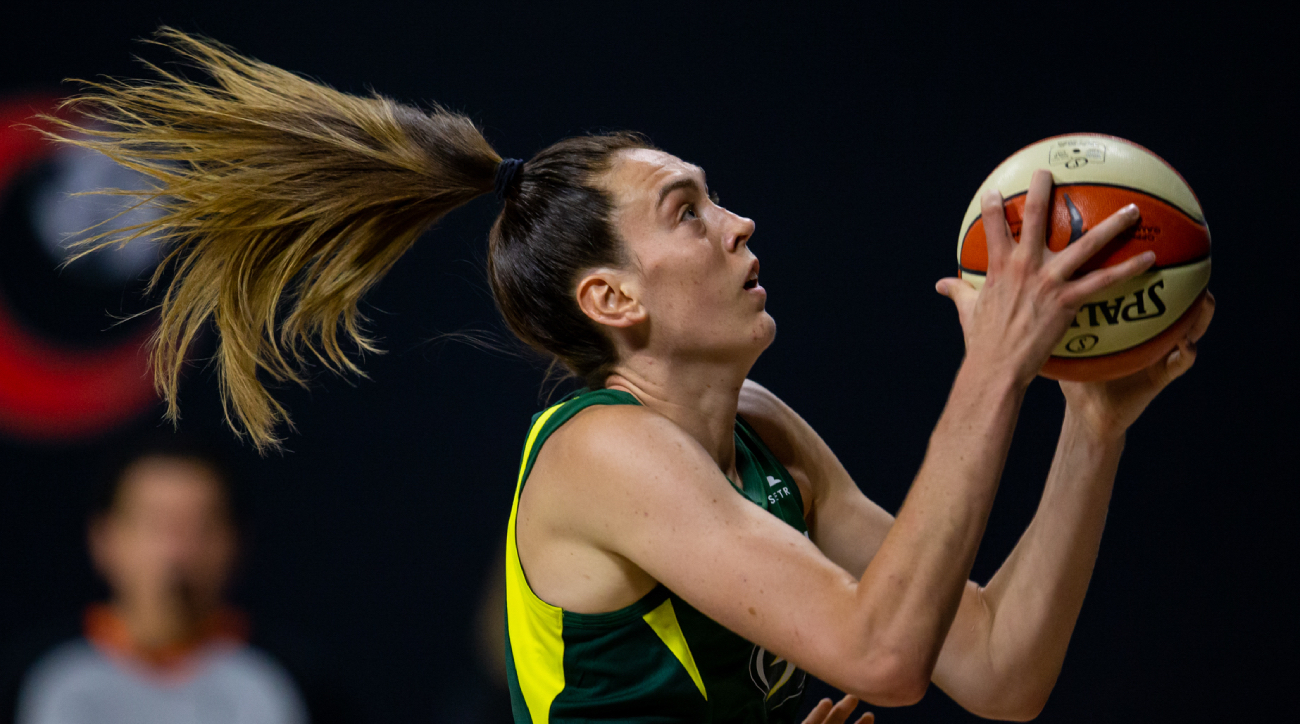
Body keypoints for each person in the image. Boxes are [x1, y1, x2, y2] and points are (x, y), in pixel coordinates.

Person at [42, 29, 1214, 724]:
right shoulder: (600, 450)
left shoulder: (761, 430)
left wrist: (1089, 420)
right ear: (612, 300)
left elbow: (996, 670)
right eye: (689, 211)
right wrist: (995, 364)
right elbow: (883, 656)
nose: (740, 225)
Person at [5, 436, 322, 724]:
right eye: (156, 525)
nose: (177, 553)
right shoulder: (36, 676)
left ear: (235, 542)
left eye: (200, 527)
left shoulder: (292, 679)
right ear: (104, 539)